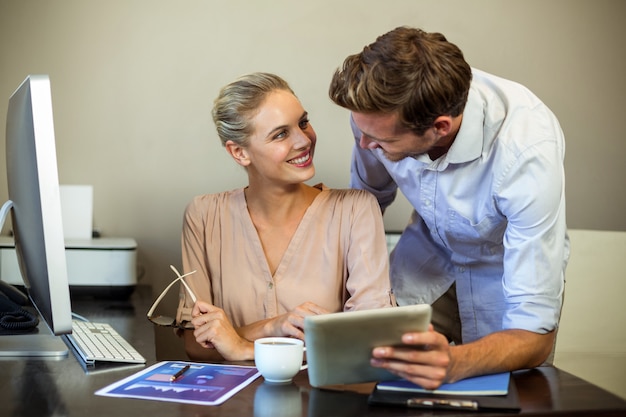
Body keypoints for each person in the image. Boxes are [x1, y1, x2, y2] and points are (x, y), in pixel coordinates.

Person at [328, 26, 569, 389]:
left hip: (505, 270)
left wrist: (454, 363)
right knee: (370, 376)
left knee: (509, 393)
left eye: (379, 140)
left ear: (439, 127)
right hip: (426, 256)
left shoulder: (527, 152)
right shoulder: (374, 118)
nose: (363, 144)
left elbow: (533, 335)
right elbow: (366, 205)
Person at [175, 72, 394, 362]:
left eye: (303, 122)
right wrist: (272, 326)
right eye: (280, 134)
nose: (303, 140)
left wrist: (242, 345)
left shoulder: (355, 210)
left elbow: (372, 341)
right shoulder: (204, 216)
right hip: (229, 406)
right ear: (239, 152)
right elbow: (194, 341)